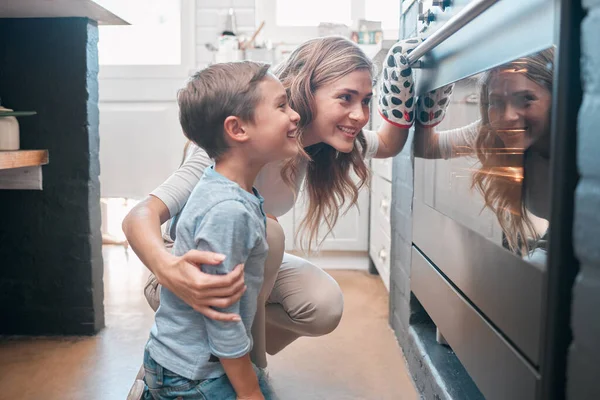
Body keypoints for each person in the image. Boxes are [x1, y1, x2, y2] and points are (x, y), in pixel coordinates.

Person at [123, 36, 446, 370]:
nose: (361, 115)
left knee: (324, 304)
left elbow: (389, 144)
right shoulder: (228, 147)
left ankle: (220, 347)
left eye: (366, 100)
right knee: (270, 232)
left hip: (241, 263)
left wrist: (410, 90)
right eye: (346, 98)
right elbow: (140, 214)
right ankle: (236, 367)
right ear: (306, 93)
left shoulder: (313, 137)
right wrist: (169, 270)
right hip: (181, 270)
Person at [143, 61, 300, 400]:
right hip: (197, 374)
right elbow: (221, 317)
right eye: (281, 105)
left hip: (183, 361)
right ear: (238, 129)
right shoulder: (228, 211)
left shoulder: (223, 187)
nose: (294, 115)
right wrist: (249, 392)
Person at [414, 48, 554, 256]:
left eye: (525, 99)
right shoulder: (495, 130)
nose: (507, 116)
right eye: (496, 102)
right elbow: (426, 146)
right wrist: (438, 81)